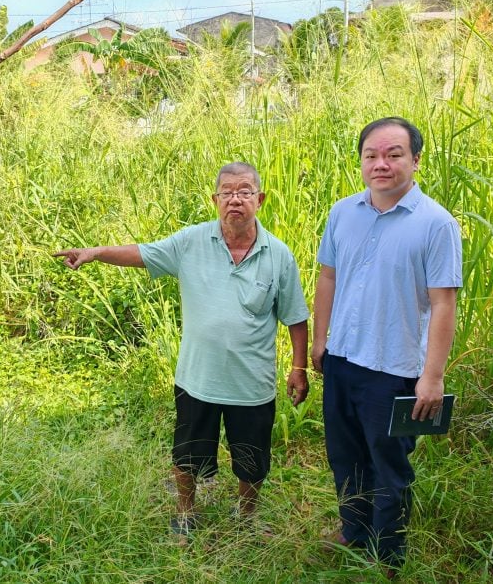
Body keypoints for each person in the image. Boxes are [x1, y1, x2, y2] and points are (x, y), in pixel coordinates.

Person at [55, 162, 309, 540]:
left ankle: (247, 516)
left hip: (252, 384)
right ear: (215, 200)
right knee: (187, 454)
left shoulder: (279, 255)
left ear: (260, 199)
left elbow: (295, 317)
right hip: (198, 379)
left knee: (253, 459)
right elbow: (141, 253)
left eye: (244, 191)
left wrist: (298, 368)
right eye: (226, 192)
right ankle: (186, 512)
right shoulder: (191, 242)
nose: (235, 199)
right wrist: (95, 252)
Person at [311, 117, 462, 574]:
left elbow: (444, 303)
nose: (381, 164)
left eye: (394, 155)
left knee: (389, 465)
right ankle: (353, 530)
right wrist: (320, 339)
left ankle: (388, 555)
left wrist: (432, 376)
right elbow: (328, 277)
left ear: (415, 160)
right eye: (371, 155)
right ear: (361, 161)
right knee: (345, 455)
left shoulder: (435, 224)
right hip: (342, 359)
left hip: (395, 369)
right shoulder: (343, 212)